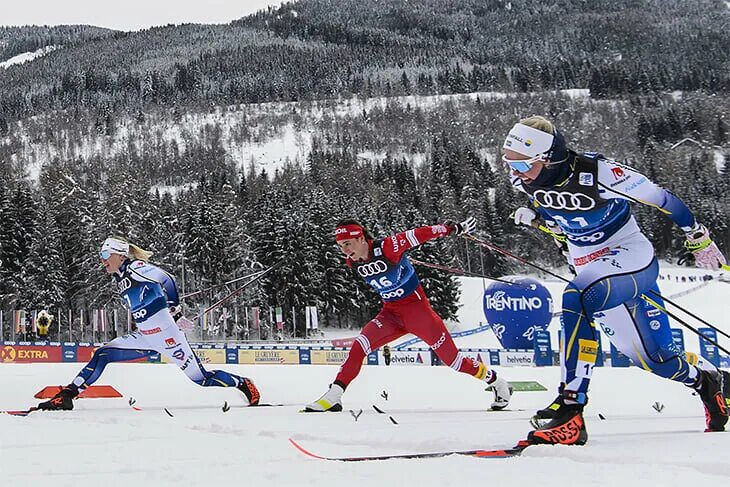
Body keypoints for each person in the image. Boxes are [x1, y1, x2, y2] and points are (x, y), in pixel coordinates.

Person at [503, 115, 729, 445]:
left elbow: (661, 198)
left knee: (574, 297)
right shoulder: (525, 179)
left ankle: (570, 410)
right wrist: (540, 219)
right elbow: (562, 214)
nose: (515, 173)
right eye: (509, 163)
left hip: (629, 256)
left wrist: (697, 237)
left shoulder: (600, 174)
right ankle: (707, 382)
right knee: (655, 360)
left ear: (548, 157)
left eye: (522, 165)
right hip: (591, 267)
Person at [304, 219, 512, 412]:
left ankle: (497, 382)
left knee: (454, 362)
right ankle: (334, 396)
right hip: (391, 315)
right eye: (341, 246)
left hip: (419, 314)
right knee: (360, 346)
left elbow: (415, 235)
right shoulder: (353, 262)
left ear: (361, 238)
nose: (345, 251)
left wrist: (449, 228)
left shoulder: (386, 247)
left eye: (348, 244)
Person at [37, 237, 260, 410]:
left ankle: (242, 383)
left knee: (201, 379)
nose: (102, 259)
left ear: (120, 255)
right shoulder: (121, 277)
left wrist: (174, 309)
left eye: (105, 253)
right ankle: (67, 396)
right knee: (103, 354)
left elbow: (167, 279)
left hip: (168, 337)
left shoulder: (136, 267)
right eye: (101, 254)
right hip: (146, 337)